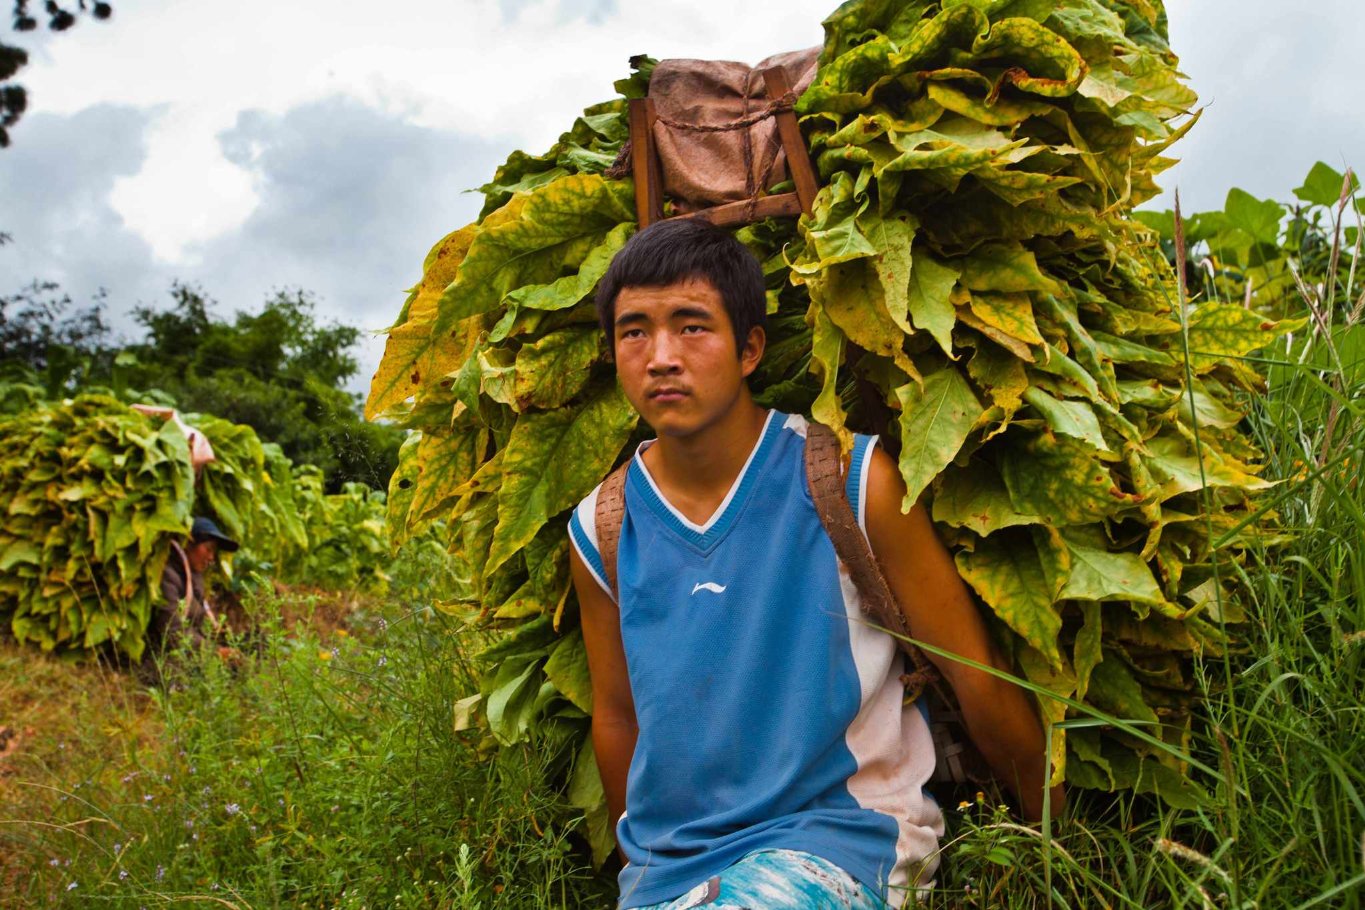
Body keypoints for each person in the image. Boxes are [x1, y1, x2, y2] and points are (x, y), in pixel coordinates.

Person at [567, 218, 1065, 910]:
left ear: (749, 349)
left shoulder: (848, 482)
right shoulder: (602, 526)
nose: (660, 357)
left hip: (842, 839)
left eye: (691, 326)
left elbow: (972, 675)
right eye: (633, 331)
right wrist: (642, 864)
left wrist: (1063, 840)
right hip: (672, 873)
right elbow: (617, 717)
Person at [150, 516, 238, 655]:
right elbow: (172, 631)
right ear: (188, 543)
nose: (211, 557)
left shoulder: (193, 577)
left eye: (214, 552)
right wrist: (215, 653)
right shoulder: (166, 575)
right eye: (208, 549)